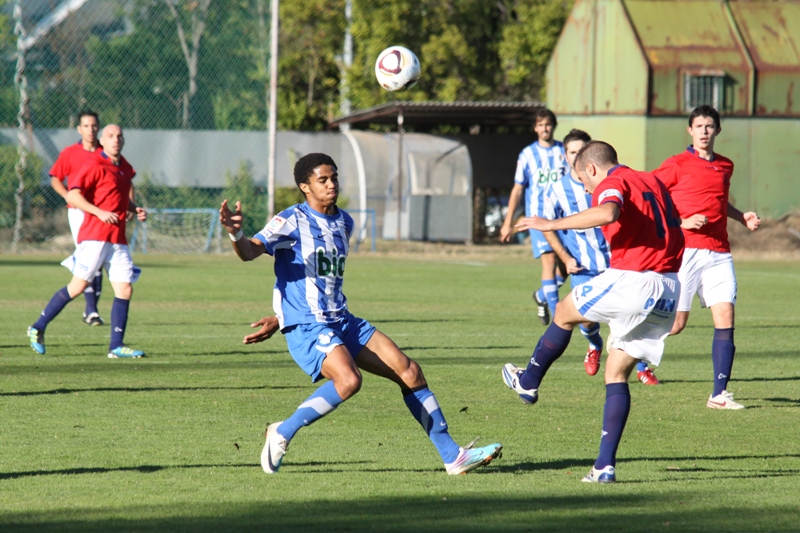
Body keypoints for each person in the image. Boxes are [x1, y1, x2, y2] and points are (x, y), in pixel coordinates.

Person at [219, 152, 502, 475]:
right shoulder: (291, 220)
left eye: (334, 177)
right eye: (322, 180)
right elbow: (251, 251)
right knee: (349, 379)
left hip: (343, 320)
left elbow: (316, 280)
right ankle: (282, 431)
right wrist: (236, 234)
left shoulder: (344, 222)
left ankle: (452, 456)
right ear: (305, 187)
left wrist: (277, 315)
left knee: (410, 371)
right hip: (310, 326)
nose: (331, 184)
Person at [501, 141, 684, 483]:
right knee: (615, 373)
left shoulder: (614, 180)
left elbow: (608, 212)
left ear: (592, 169)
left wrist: (549, 224)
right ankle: (604, 467)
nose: (586, 189)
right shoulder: (653, 181)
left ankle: (528, 382)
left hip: (635, 278)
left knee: (564, 311)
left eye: (585, 182)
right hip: (670, 287)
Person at [652, 105, 761, 409]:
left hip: (720, 252)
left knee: (726, 319)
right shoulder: (675, 164)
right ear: (690, 130)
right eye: (698, 126)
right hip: (686, 251)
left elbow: (720, 202)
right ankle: (630, 346)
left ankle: (718, 394)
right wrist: (680, 222)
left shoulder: (725, 166)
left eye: (709, 126)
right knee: (676, 325)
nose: (704, 131)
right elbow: (652, 196)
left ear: (717, 130)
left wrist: (743, 218)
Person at [543, 129, 660, 385]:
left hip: (617, 264)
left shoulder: (612, 182)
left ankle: (641, 367)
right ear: (565, 156)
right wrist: (565, 257)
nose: (577, 156)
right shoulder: (557, 190)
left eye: (581, 150)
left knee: (627, 320)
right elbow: (548, 226)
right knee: (584, 321)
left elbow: (612, 214)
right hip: (583, 267)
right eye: (572, 152)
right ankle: (594, 345)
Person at [27, 125, 146, 359]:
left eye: (119, 136)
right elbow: (73, 195)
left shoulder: (124, 167)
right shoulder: (94, 164)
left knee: (125, 288)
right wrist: (99, 212)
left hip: (117, 238)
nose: (116, 139)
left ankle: (116, 346)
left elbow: (117, 197)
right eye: (111, 136)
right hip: (94, 236)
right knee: (78, 286)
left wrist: (134, 208)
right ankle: (37, 327)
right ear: (102, 140)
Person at [500, 108, 569, 326]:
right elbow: (518, 189)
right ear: (535, 128)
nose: (544, 128)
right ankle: (558, 315)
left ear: (553, 126)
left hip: (563, 217)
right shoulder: (527, 154)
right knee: (549, 260)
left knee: (568, 265)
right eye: (540, 124)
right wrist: (507, 222)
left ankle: (542, 296)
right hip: (539, 217)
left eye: (548, 124)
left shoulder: (564, 151)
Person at [49, 110, 106, 326]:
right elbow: (56, 177)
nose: (90, 130)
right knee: (88, 257)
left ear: (98, 127)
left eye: (94, 125)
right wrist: (67, 196)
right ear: (79, 129)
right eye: (86, 126)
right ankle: (91, 310)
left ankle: (91, 310)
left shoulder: (105, 153)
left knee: (97, 260)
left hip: (101, 212)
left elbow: (125, 178)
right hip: (79, 212)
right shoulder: (70, 153)